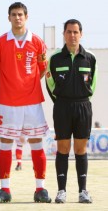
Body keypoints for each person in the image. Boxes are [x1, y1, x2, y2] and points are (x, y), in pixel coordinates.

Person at [0, 2, 51, 203]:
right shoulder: (0, 43)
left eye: (20, 14)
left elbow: (43, 68)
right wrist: (12, 86)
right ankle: (5, 190)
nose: (17, 18)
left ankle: (40, 189)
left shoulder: (38, 41)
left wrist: (28, 84)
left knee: (36, 143)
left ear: (26, 17)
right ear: (8, 18)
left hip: (32, 102)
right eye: (14, 15)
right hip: (8, 102)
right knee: (6, 143)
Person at [46, 19, 97, 204]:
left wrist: (82, 101)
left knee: (81, 149)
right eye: (68, 32)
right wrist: (60, 102)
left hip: (83, 107)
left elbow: (93, 84)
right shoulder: (55, 58)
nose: (72, 35)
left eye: (75, 32)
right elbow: (50, 84)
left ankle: (83, 191)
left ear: (81, 34)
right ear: (64, 34)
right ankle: (61, 191)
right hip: (62, 107)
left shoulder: (90, 58)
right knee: (63, 149)